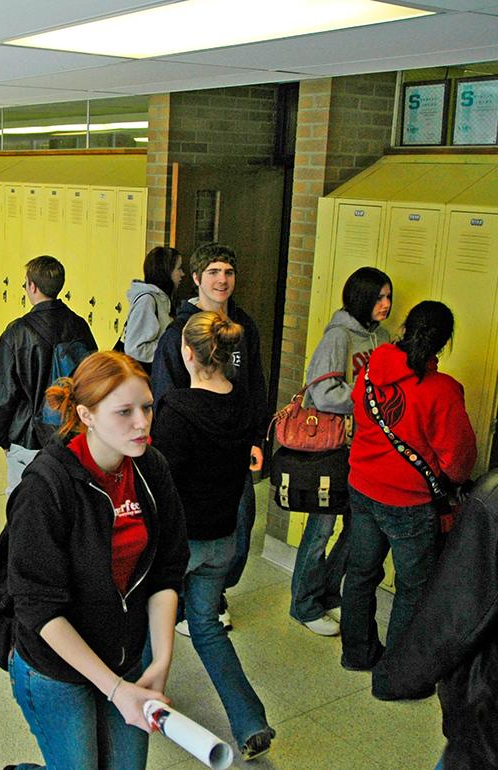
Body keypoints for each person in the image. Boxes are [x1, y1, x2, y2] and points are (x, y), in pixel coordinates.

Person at [3, 351, 188, 770]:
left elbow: (166, 570)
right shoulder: (46, 486)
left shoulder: (150, 468)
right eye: (124, 412)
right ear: (86, 415)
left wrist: (160, 659)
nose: (141, 423)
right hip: (55, 668)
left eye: (146, 407)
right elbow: (38, 607)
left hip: (125, 652)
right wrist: (115, 690)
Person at [150, 311, 275, 760]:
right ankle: (250, 721)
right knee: (205, 626)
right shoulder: (242, 405)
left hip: (180, 544)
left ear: (187, 353)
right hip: (223, 540)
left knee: (149, 619)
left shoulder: (177, 410)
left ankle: (145, 699)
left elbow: (159, 482)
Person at [340, 300, 476, 672]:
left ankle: (356, 654)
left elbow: (358, 408)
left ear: (404, 329)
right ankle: (396, 672)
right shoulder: (443, 390)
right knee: (413, 587)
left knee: (361, 573)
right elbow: (459, 460)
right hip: (409, 504)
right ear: (444, 343)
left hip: (362, 487)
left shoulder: (373, 367)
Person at [151, 243, 268, 627]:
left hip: (234, 439)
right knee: (188, 526)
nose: (222, 280)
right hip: (192, 443)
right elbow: (165, 392)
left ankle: (214, 592)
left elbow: (255, 384)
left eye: (229, 273)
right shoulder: (179, 332)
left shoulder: (244, 326)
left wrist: (256, 438)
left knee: (240, 520)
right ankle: (188, 604)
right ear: (198, 279)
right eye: (214, 272)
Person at [289, 267, 393, 637]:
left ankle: (327, 592)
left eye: (388, 296)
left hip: (367, 451)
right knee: (321, 527)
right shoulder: (338, 337)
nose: (386, 304)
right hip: (334, 447)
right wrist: (366, 403)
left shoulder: (381, 337)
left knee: (357, 526)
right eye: (379, 297)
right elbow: (322, 394)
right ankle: (302, 603)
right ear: (362, 298)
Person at [371, 469, 498, 770]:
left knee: (370, 574)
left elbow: (453, 616)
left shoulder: (492, 502)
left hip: (488, 717)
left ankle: (359, 651)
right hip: (405, 495)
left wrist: (398, 676)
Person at [0, 255, 97, 496]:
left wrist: (0, 437)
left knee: (23, 504)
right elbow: (92, 378)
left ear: (32, 287)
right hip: (70, 434)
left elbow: (5, 394)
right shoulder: (80, 326)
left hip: (27, 438)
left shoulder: (16, 333)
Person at [122, 246, 183, 371]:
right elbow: (134, 348)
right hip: (143, 374)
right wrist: (170, 347)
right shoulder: (147, 301)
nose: (182, 274)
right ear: (166, 271)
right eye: (179, 269)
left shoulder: (164, 299)